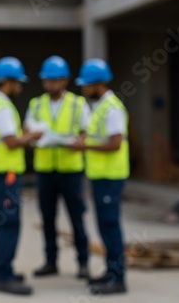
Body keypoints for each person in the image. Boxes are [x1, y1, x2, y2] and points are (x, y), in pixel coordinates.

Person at [0, 56, 42, 295]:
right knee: (8, 223)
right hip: (7, 174)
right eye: (18, 82)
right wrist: (32, 136)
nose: (20, 87)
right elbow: (11, 141)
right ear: (9, 82)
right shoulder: (3, 106)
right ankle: (5, 275)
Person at [24, 55, 90, 279]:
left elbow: (85, 132)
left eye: (54, 80)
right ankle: (50, 261)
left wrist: (79, 141)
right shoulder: (36, 104)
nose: (50, 84)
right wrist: (33, 137)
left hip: (71, 171)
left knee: (76, 217)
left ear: (65, 80)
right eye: (47, 80)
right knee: (48, 218)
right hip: (45, 171)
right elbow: (27, 131)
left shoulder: (77, 104)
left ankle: (83, 263)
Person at [71, 58, 129, 295]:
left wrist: (84, 148)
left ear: (99, 84)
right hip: (100, 177)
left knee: (110, 226)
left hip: (110, 177)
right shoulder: (100, 107)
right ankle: (110, 271)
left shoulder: (112, 108)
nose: (84, 89)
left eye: (87, 85)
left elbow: (115, 144)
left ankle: (118, 279)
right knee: (105, 227)